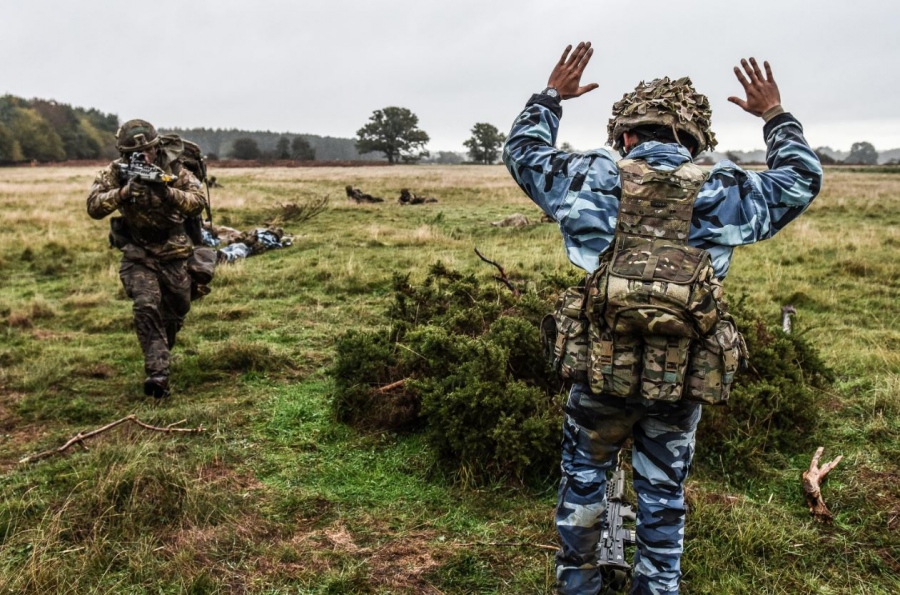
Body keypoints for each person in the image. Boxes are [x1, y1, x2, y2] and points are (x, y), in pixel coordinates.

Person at [503, 42, 822, 595]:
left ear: (625, 135)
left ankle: (576, 585)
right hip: (680, 380)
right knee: (663, 493)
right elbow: (801, 178)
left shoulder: (590, 178)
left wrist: (551, 96)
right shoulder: (726, 188)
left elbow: (523, 151)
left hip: (597, 373)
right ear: (695, 142)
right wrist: (774, 115)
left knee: (583, 484)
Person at [87, 119, 208, 399]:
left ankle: (162, 349)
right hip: (139, 252)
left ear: (157, 147)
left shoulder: (175, 169)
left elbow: (198, 201)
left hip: (175, 251)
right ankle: (158, 375)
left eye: (147, 151)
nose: (141, 157)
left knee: (177, 309)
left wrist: (167, 192)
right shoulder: (116, 172)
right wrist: (124, 192)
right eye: (131, 154)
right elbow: (93, 206)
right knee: (146, 304)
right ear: (122, 153)